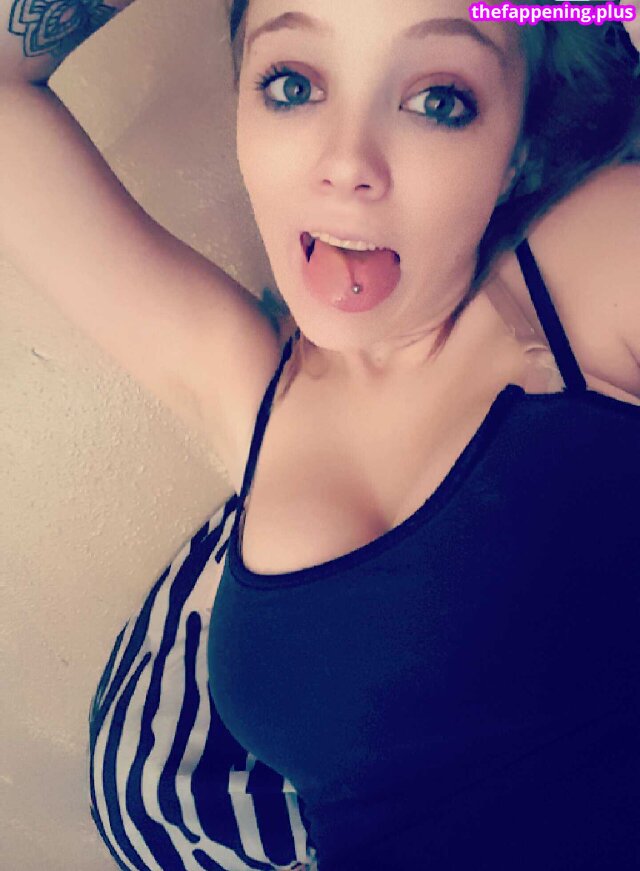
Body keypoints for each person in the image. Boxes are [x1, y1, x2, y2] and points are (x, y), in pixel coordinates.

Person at [1, 1, 639, 869]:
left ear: (519, 146)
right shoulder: (248, 388)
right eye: (292, 85)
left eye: (439, 100)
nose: (346, 165)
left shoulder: (595, 264)